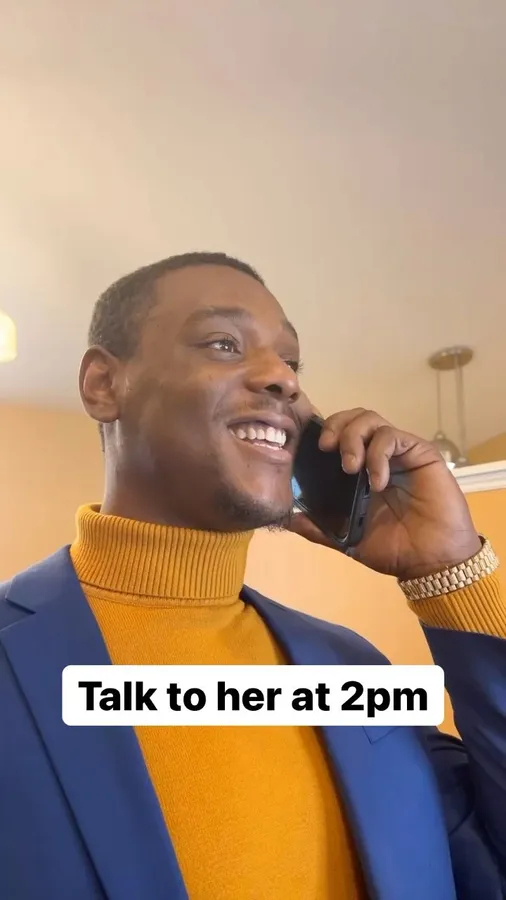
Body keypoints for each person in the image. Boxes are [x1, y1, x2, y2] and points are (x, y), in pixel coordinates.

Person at [0, 252, 505, 900]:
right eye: (223, 343)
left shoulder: (350, 670)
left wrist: (452, 572)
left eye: (291, 361)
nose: (283, 379)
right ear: (104, 384)